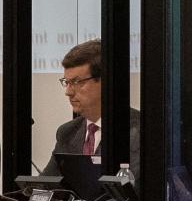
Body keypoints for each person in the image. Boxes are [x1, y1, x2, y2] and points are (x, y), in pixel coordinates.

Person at [42, 39, 141, 182]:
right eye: (67, 83)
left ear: (105, 81)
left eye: (77, 82)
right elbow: (44, 186)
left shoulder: (137, 132)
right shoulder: (68, 132)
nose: (68, 92)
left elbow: (132, 192)